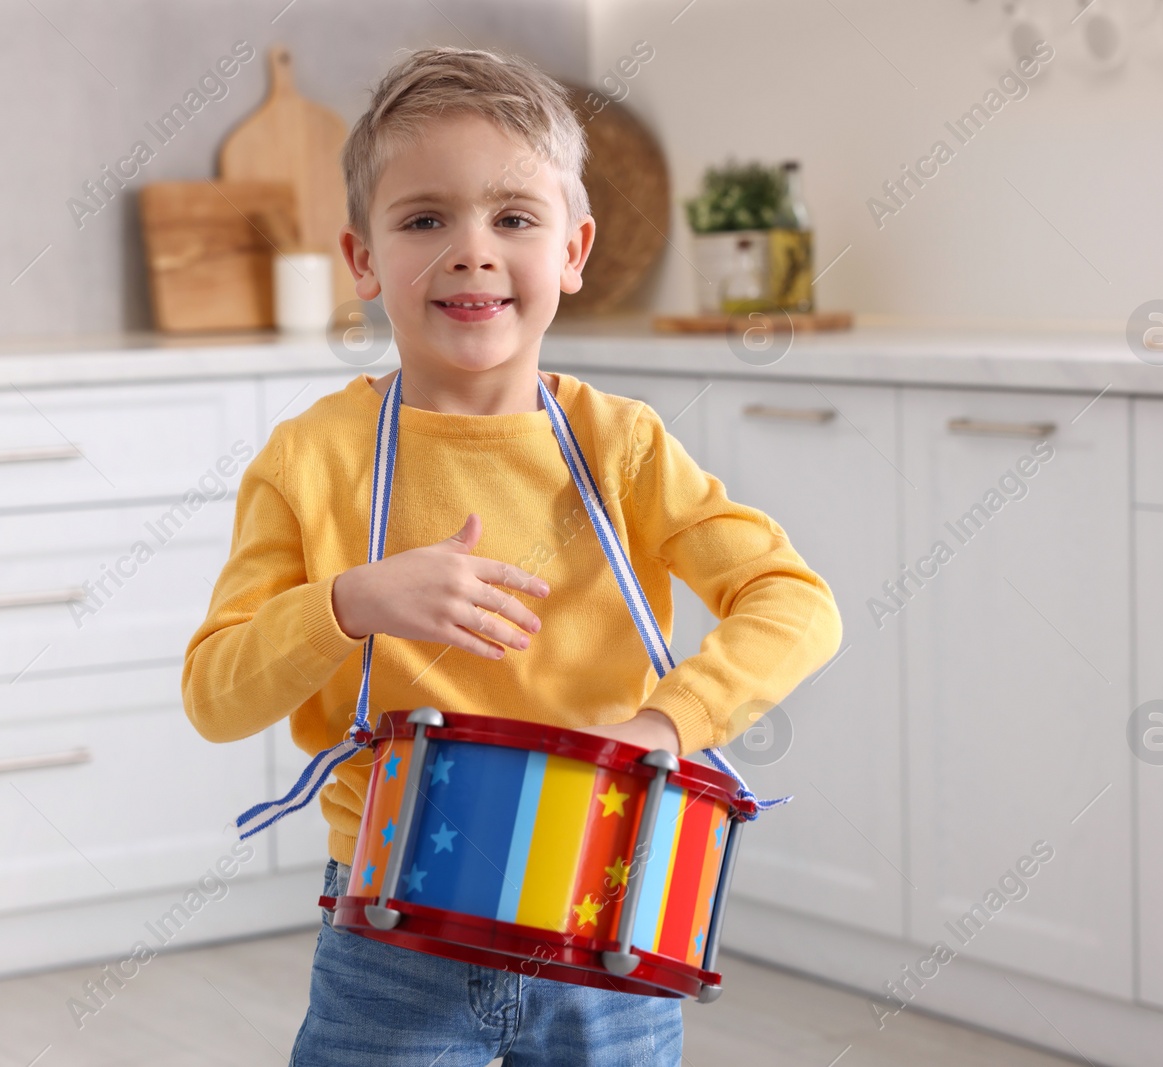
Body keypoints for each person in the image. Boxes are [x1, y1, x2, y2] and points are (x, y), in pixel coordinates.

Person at [181, 44, 843, 1067]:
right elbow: (214, 695)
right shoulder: (310, 460)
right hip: (392, 928)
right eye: (423, 218)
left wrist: (669, 722)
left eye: (514, 218)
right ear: (361, 259)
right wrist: (351, 601)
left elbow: (794, 601)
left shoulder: (621, 446)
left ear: (573, 251)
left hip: (604, 917)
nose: (472, 250)